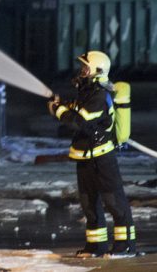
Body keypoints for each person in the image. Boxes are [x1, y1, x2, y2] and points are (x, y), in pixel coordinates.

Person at [48, 50, 136, 258]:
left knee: (114, 202)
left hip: (102, 157)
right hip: (85, 157)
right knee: (89, 204)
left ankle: (125, 246)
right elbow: (74, 109)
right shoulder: (87, 92)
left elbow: (79, 121)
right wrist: (59, 105)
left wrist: (59, 110)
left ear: (97, 70)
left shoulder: (99, 96)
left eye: (85, 68)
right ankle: (96, 246)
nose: (81, 71)